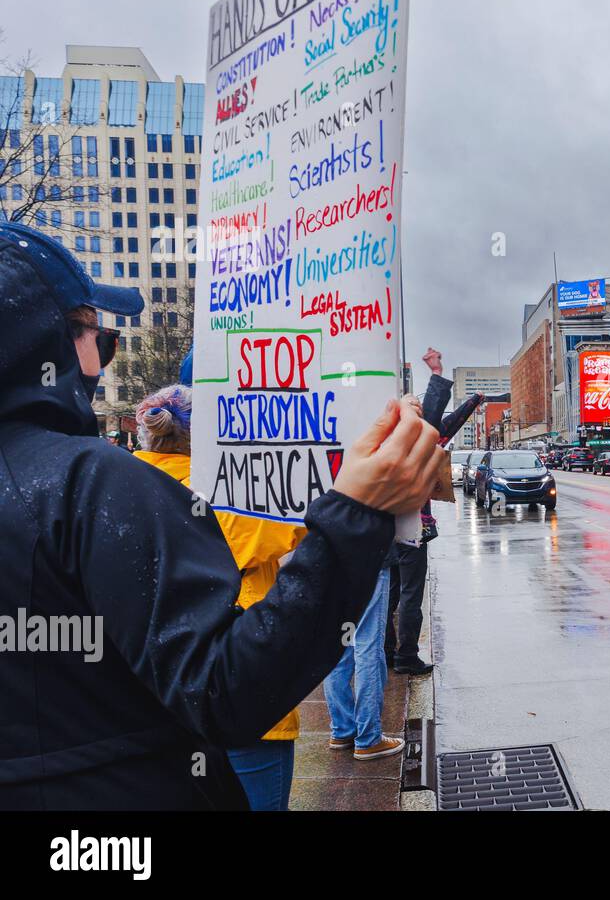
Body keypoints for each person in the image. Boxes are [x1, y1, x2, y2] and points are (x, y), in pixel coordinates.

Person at [0, 221, 448, 808]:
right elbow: (222, 688)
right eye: (99, 338)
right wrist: (358, 511)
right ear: (48, 342)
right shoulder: (90, 485)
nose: (104, 360)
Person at [133, 384, 307, 811]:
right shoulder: (231, 495)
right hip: (241, 693)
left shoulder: (117, 487)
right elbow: (306, 517)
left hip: (152, 700)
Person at [384, 346, 453, 676]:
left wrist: (472, 401)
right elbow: (439, 416)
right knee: (410, 594)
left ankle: (386, 649)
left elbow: (444, 419)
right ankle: (406, 654)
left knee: (390, 592)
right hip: (411, 529)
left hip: (385, 530)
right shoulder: (413, 438)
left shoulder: (384, 440)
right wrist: (437, 372)